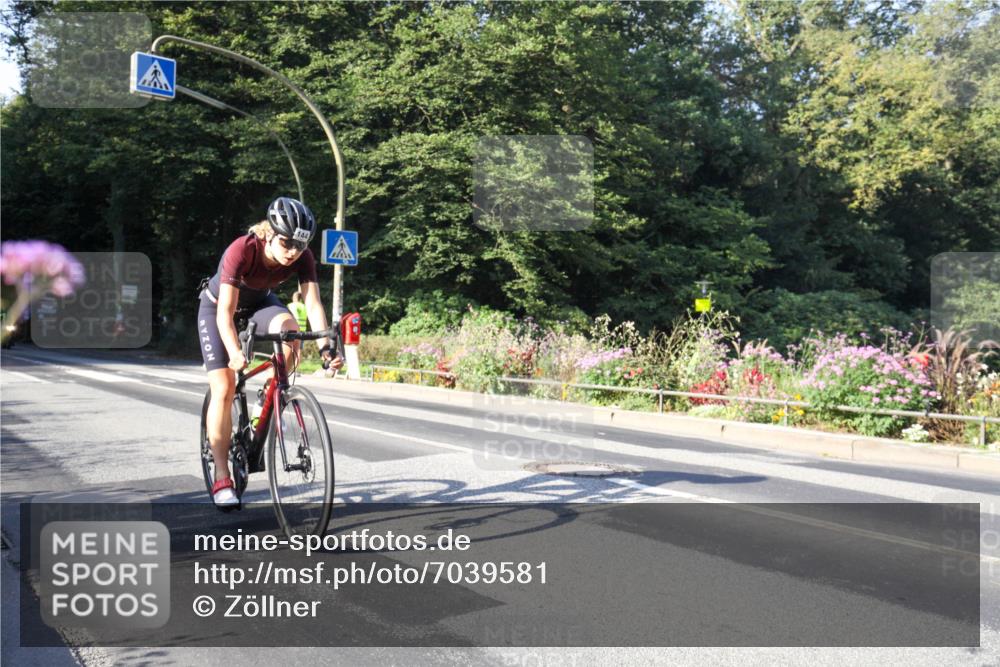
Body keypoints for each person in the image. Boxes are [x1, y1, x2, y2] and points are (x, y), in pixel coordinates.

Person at [197, 196, 342, 508]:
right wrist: (235, 351)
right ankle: (223, 476)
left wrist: (326, 348)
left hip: (259, 304)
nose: (292, 252)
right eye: (286, 243)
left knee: (291, 334)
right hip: (217, 308)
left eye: (300, 246)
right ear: (269, 234)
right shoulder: (243, 249)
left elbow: (312, 304)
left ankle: (268, 393)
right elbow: (226, 312)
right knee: (223, 387)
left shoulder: (302, 257)